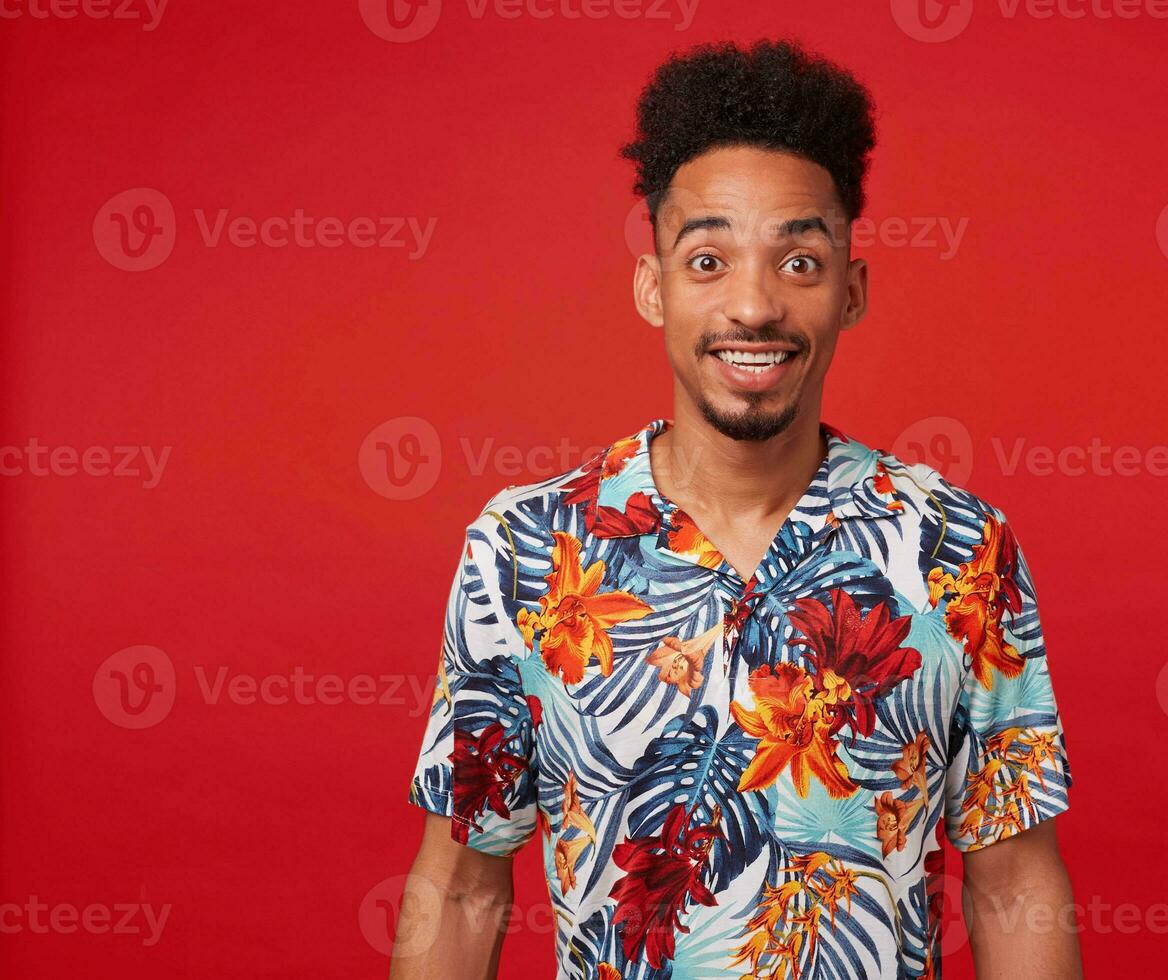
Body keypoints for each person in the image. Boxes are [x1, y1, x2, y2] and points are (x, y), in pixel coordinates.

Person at [392, 38, 1080, 980]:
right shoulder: (524, 549)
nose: (753, 307)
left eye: (799, 262)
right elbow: (464, 883)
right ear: (653, 288)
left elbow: (1010, 881)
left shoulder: (957, 545)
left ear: (853, 291)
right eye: (708, 258)